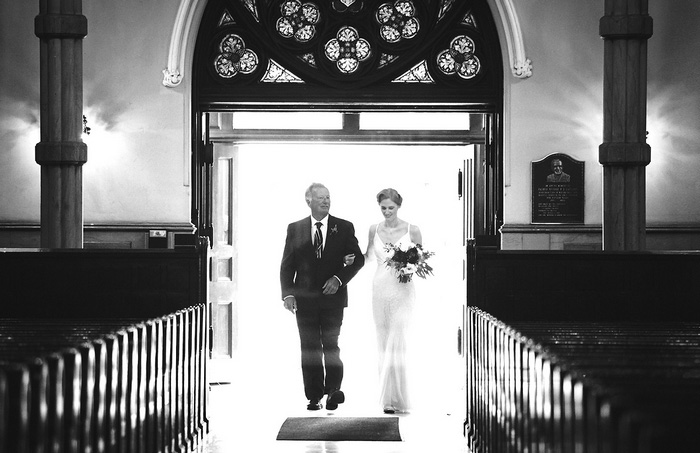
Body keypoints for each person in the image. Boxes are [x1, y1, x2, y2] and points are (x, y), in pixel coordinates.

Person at [280, 183, 365, 411]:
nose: (326, 201)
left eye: (328, 197)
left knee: (331, 344)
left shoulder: (344, 227)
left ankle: (334, 391)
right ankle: (314, 396)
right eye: (320, 198)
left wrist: (338, 279)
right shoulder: (295, 228)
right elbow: (287, 265)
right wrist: (287, 294)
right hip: (304, 299)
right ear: (309, 201)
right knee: (309, 347)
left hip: (332, 299)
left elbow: (357, 260)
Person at [360, 188, 422, 414]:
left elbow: (420, 261)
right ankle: (387, 400)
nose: (387, 212)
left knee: (398, 338)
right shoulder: (373, 230)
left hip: (403, 291)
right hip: (379, 289)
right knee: (383, 341)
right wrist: (351, 258)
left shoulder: (412, 230)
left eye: (391, 208)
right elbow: (367, 257)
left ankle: (399, 398)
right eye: (383, 208)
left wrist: (410, 265)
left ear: (399, 207)